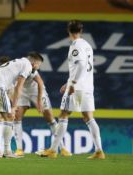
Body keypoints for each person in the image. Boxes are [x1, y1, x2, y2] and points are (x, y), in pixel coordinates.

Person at [37, 20, 105, 159]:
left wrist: (72, 83)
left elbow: (80, 65)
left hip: (76, 88)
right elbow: (83, 67)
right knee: (89, 118)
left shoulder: (75, 46)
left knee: (63, 115)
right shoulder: (87, 45)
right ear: (81, 31)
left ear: (68, 32)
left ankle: (53, 150)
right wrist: (68, 82)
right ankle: (99, 151)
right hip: (87, 86)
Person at [0, 52, 43, 158]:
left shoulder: (17, 64)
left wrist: (13, 104)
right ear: (34, 63)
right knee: (9, 118)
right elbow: (19, 88)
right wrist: (14, 107)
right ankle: (7, 151)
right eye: (39, 65)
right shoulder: (27, 66)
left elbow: (11, 89)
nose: (38, 68)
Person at [13, 70, 72, 157]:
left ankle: (62, 148)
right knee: (17, 118)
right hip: (22, 92)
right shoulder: (13, 70)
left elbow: (40, 82)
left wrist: (39, 101)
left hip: (37, 91)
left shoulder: (30, 69)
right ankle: (19, 149)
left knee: (50, 119)